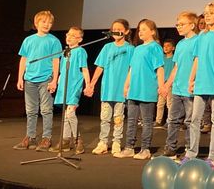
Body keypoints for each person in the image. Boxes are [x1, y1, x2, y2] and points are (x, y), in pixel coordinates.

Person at [180, 0, 214, 168]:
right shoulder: (201, 36)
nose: (207, 16)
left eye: (211, 13)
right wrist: (191, 79)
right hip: (201, 83)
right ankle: (191, 153)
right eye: (206, 13)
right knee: (195, 119)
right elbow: (196, 59)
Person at [114, 19, 165, 160]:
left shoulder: (155, 47)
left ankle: (145, 149)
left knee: (147, 121)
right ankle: (129, 148)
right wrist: (126, 85)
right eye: (139, 30)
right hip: (134, 89)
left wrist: (161, 86)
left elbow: (160, 68)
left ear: (152, 32)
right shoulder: (137, 49)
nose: (140, 32)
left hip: (146, 89)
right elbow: (132, 69)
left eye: (144, 29)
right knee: (131, 120)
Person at [14, 10, 62, 151]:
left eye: (50, 22)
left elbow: (56, 61)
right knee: (31, 110)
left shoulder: (54, 41)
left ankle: (46, 138)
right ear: (36, 23)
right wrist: (20, 78)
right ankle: (30, 137)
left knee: (46, 110)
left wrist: (54, 80)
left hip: (46, 79)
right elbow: (23, 59)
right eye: (44, 21)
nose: (47, 24)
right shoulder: (28, 40)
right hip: (29, 79)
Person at [86, 19, 134, 155]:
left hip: (121, 90)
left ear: (126, 31)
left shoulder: (130, 49)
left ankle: (116, 142)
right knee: (105, 118)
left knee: (118, 118)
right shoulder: (107, 47)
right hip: (107, 89)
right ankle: (103, 142)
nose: (116, 31)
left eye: (119, 29)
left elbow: (132, 69)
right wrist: (91, 84)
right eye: (114, 29)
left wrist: (128, 86)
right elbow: (100, 67)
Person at [163, 11, 199, 157]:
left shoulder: (198, 41)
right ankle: (170, 148)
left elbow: (198, 63)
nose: (178, 27)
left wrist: (193, 81)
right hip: (177, 89)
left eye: (182, 24)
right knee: (172, 120)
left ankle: (190, 150)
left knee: (190, 121)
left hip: (190, 89)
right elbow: (176, 67)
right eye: (177, 24)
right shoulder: (180, 44)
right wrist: (167, 85)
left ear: (192, 25)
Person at [50, 27, 90, 154]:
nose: (69, 37)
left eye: (73, 35)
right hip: (64, 85)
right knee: (65, 115)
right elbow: (62, 70)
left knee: (70, 113)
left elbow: (84, 69)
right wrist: (56, 81)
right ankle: (65, 141)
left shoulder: (80, 51)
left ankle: (78, 140)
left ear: (80, 39)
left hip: (74, 86)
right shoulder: (65, 52)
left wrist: (88, 85)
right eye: (68, 34)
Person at [154, 39, 176, 128]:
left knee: (169, 104)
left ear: (173, 48)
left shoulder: (174, 59)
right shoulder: (161, 58)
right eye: (164, 46)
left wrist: (170, 82)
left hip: (170, 84)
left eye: (168, 46)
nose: (165, 48)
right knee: (160, 103)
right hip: (162, 84)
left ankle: (169, 121)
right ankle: (158, 121)